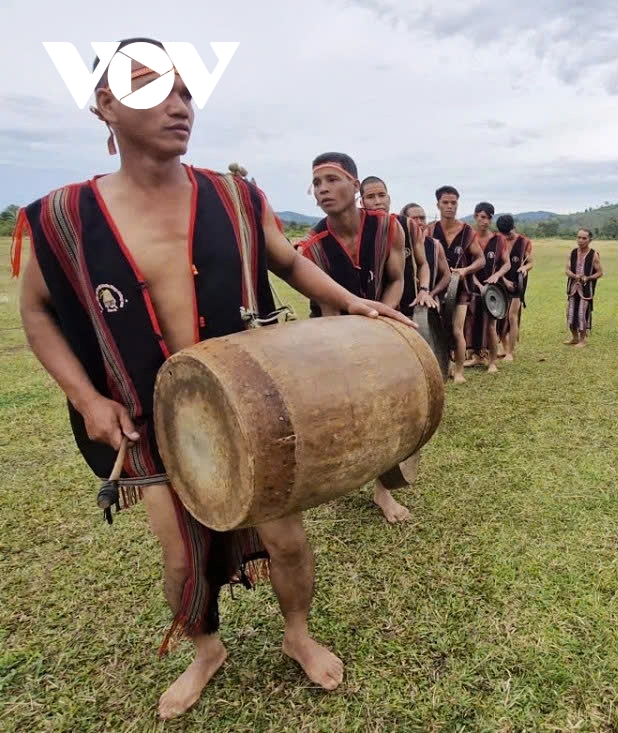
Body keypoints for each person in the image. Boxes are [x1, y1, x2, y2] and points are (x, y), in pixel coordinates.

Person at [11, 38, 412, 720]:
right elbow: (37, 312)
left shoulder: (234, 195)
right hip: (146, 417)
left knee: (287, 538)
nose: (180, 104)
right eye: (154, 88)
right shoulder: (61, 216)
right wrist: (86, 397)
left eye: (186, 91)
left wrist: (351, 302)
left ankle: (297, 633)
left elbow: (289, 262)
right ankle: (206, 648)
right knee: (179, 561)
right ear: (104, 104)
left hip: (252, 409)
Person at [296, 155, 434, 525]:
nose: (323, 189)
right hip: (334, 331)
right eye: (317, 183)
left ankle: (382, 490)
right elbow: (327, 307)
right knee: (342, 410)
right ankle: (339, 474)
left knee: (390, 408)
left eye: (331, 180)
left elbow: (395, 278)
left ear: (354, 185)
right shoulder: (314, 246)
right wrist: (348, 350)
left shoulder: (389, 226)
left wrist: (378, 323)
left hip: (383, 324)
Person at [428, 186, 483, 383]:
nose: (450, 207)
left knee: (457, 329)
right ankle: (444, 367)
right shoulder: (430, 230)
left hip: (460, 289)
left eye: (453, 203)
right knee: (438, 329)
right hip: (437, 287)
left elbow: (481, 259)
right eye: (445, 203)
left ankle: (459, 371)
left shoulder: (467, 231)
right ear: (438, 205)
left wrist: (465, 271)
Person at [359, 176, 432, 319]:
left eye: (381, 195)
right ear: (362, 202)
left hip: (408, 308)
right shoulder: (358, 229)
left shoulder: (408, 226)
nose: (378, 201)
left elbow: (423, 264)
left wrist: (424, 290)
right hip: (370, 314)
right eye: (370, 197)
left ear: (389, 198)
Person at [472, 203, 510, 374]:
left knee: (491, 326)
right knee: (471, 323)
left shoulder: (498, 240)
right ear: (475, 217)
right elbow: (466, 265)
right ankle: (477, 356)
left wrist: (497, 275)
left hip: (493, 290)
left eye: (488, 217)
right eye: (481, 217)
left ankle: (492, 362)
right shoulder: (469, 238)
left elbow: (507, 263)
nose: (485, 221)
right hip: (472, 286)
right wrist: (478, 285)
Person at [495, 214, 533, 361]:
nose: (506, 237)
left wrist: (525, 268)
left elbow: (530, 262)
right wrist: (503, 280)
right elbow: (497, 266)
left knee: (512, 315)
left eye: (509, 234)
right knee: (500, 315)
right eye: (504, 234)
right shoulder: (497, 240)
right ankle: (504, 349)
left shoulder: (524, 242)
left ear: (514, 228)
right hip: (501, 282)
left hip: (518, 283)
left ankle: (510, 352)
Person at [400, 202, 451, 303]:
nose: (419, 222)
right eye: (414, 218)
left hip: (427, 307)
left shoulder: (435, 246)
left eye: (422, 218)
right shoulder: (397, 244)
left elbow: (447, 275)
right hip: (400, 306)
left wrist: (431, 293)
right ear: (404, 220)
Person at [565, 228, 603, 347]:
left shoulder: (593, 255)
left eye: (584, 238)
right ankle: (575, 337)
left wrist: (588, 278)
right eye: (579, 237)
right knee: (569, 313)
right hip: (573, 288)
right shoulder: (573, 253)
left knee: (582, 313)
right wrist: (574, 275)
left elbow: (600, 272)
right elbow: (567, 269)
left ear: (590, 240)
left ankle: (583, 340)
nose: (580, 240)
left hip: (586, 290)